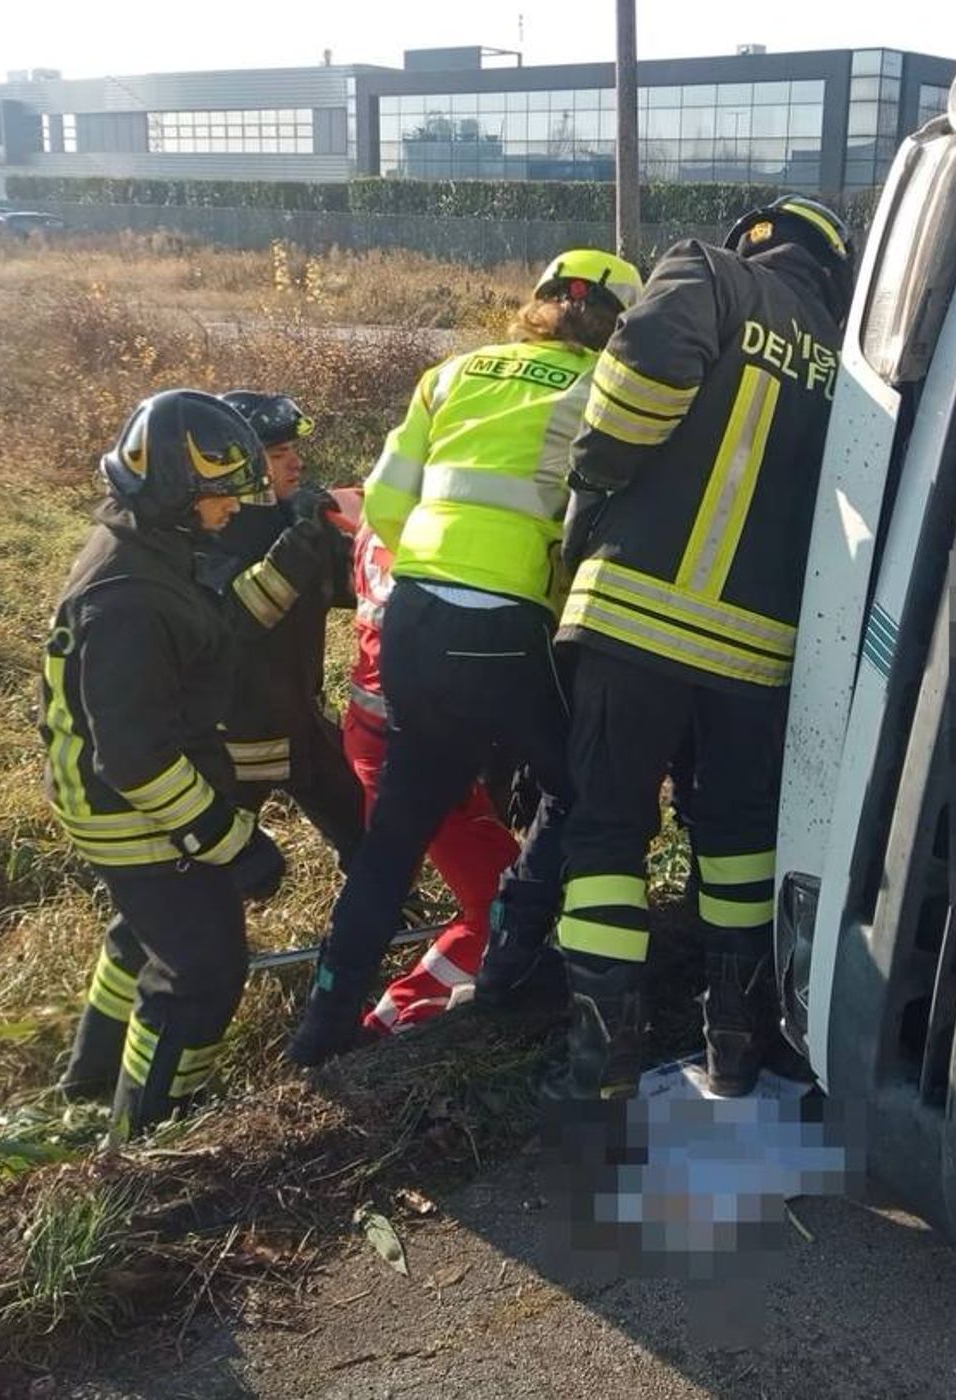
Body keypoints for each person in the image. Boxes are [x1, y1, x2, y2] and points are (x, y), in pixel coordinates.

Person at [285, 248, 644, 1067]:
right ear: (618, 325)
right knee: (581, 793)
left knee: (398, 834)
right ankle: (526, 958)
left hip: (412, 618)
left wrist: (437, 574)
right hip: (506, 627)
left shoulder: (452, 373)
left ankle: (324, 1024)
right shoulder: (601, 390)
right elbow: (596, 521)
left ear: (541, 302)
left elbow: (383, 500)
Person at [534, 195, 855, 1099]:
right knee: (740, 839)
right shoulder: (857, 364)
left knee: (606, 830)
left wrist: (595, 479)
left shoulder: (711, 275)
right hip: (759, 656)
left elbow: (636, 376)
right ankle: (737, 1045)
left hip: (635, 617)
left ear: (756, 240)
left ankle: (601, 1065)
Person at [48, 390, 286, 1137]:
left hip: (111, 800)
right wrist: (229, 839)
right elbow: (138, 756)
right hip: (133, 814)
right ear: (178, 491)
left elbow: (208, 637)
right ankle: (152, 1128)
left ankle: (92, 1085)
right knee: (200, 973)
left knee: (141, 934)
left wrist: (300, 551)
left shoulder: (148, 551)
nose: (232, 513)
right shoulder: (128, 600)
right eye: (220, 497)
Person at [328, 487, 520, 1036]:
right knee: (505, 902)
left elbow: (353, 500)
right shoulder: (452, 541)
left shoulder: (390, 510)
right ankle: (391, 1022)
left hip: (382, 741)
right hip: (412, 752)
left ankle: (377, 1012)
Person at [197, 391, 364, 870]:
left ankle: (386, 921)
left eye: (293, 450)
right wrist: (302, 536)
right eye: (276, 455)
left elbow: (349, 589)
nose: (295, 463)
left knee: (367, 836)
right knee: (215, 864)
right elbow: (240, 620)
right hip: (234, 742)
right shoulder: (212, 531)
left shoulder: (292, 518)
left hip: (302, 725)